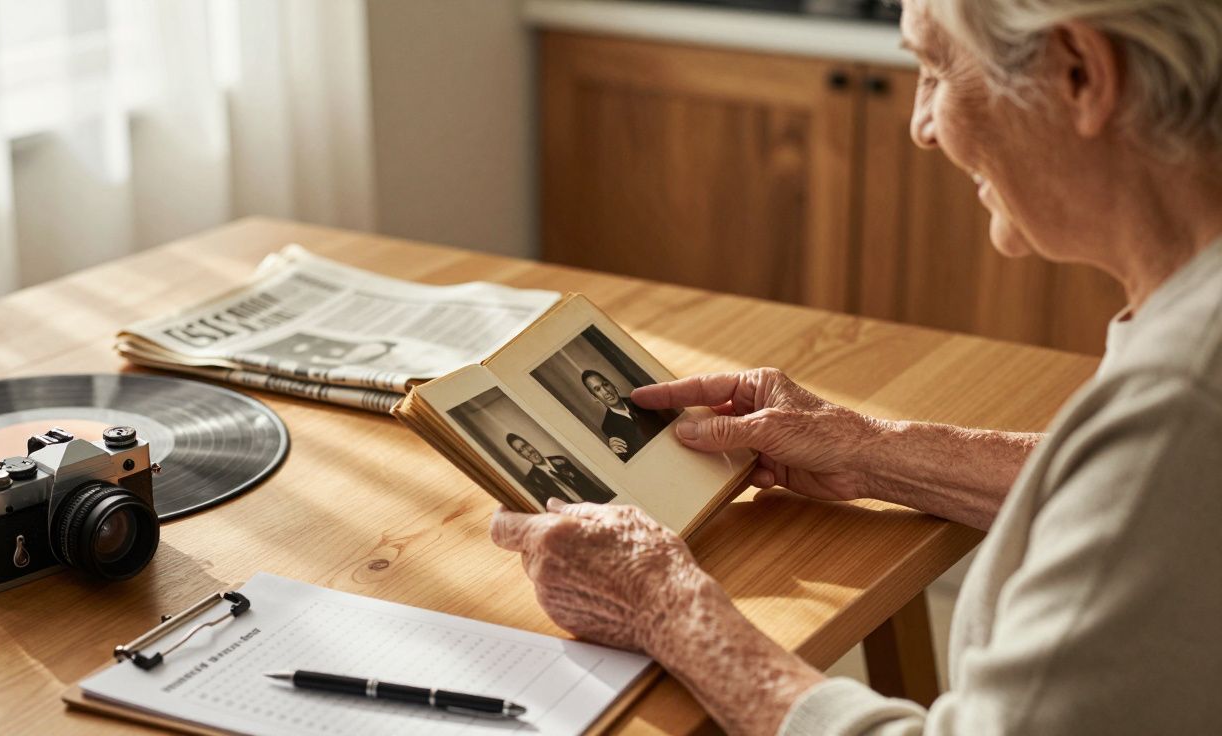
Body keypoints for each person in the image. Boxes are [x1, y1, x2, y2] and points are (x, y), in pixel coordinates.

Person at [490, 1, 1222, 734]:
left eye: (935, 68)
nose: (921, 125)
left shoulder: (1180, 402)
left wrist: (665, 606)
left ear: (1080, 75)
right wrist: (870, 449)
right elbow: (1145, 502)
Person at [581, 369, 670, 460]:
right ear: (595, 397)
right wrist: (618, 454)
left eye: (605, 384)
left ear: (612, 384)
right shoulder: (608, 427)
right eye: (598, 389)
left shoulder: (639, 400)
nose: (605, 391)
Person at [506, 433, 616, 506]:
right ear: (520, 455)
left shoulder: (561, 460)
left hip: (597, 504)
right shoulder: (532, 481)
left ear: (531, 445)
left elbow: (588, 483)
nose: (528, 451)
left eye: (526, 446)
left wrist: (608, 501)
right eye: (521, 450)